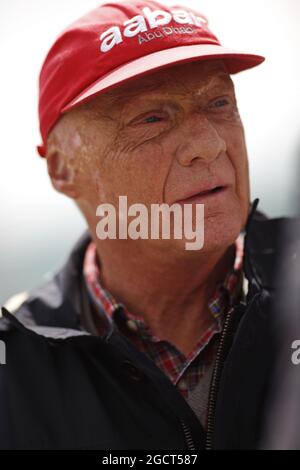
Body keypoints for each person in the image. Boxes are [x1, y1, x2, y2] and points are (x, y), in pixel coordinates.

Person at [0, 0, 298, 450]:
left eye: (219, 102)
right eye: (152, 118)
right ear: (64, 170)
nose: (209, 144)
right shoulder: (15, 369)